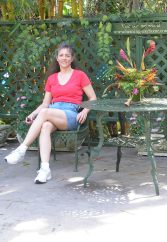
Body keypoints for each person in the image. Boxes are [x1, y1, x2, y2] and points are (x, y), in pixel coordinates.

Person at [4, 42, 97, 184]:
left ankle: (22, 149)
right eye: (61, 55)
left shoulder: (80, 75)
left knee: (46, 114)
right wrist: (33, 114)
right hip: (52, 111)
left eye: (67, 55)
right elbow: (45, 104)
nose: (64, 58)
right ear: (57, 58)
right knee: (46, 126)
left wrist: (85, 110)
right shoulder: (52, 79)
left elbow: (93, 98)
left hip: (70, 114)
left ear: (72, 58)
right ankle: (45, 169)